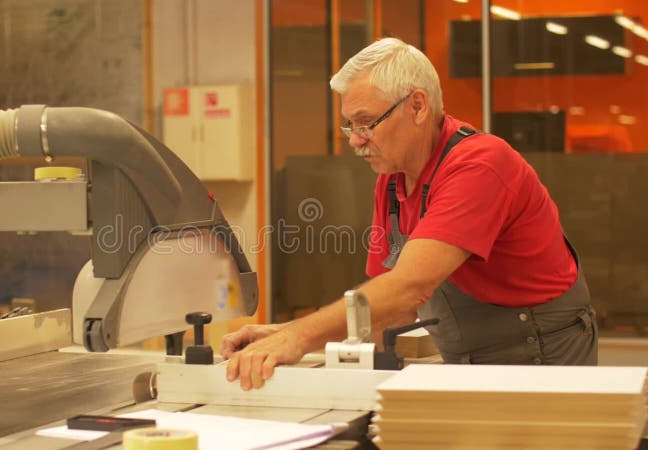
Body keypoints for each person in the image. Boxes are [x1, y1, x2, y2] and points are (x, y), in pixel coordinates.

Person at [222, 37, 598, 391]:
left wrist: (300, 336)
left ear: (418, 106)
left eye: (366, 123)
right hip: (468, 363)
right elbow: (386, 311)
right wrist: (284, 332)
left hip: (540, 358)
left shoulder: (480, 165)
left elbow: (407, 290)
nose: (355, 140)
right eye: (349, 126)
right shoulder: (392, 181)